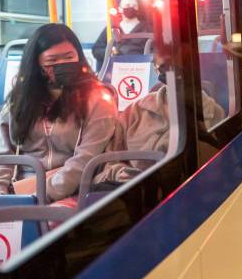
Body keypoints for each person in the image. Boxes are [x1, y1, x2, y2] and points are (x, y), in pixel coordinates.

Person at [0, 23, 117, 201]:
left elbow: (85, 160)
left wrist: (41, 197)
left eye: (69, 57)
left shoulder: (98, 98)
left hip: (75, 189)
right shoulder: (20, 99)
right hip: (19, 189)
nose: (62, 64)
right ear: (37, 64)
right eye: (52, 61)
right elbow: (0, 154)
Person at [94, 57, 225, 184]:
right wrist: (126, 176)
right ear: (157, 69)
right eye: (165, 65)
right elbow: (109, 162)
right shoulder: (136, 110)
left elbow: (218, 165)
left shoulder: (211, 113)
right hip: (135, 192)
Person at [92, 0, 152, 71]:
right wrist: (110, 51)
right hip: (115, 70)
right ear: (120, 9)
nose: (131, 8)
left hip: (141, 69)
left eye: (134, 6)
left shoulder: (147, 28)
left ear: (138, 8)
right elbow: (96, 50)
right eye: (127, 5)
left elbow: (156, 51)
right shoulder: (111, 29)